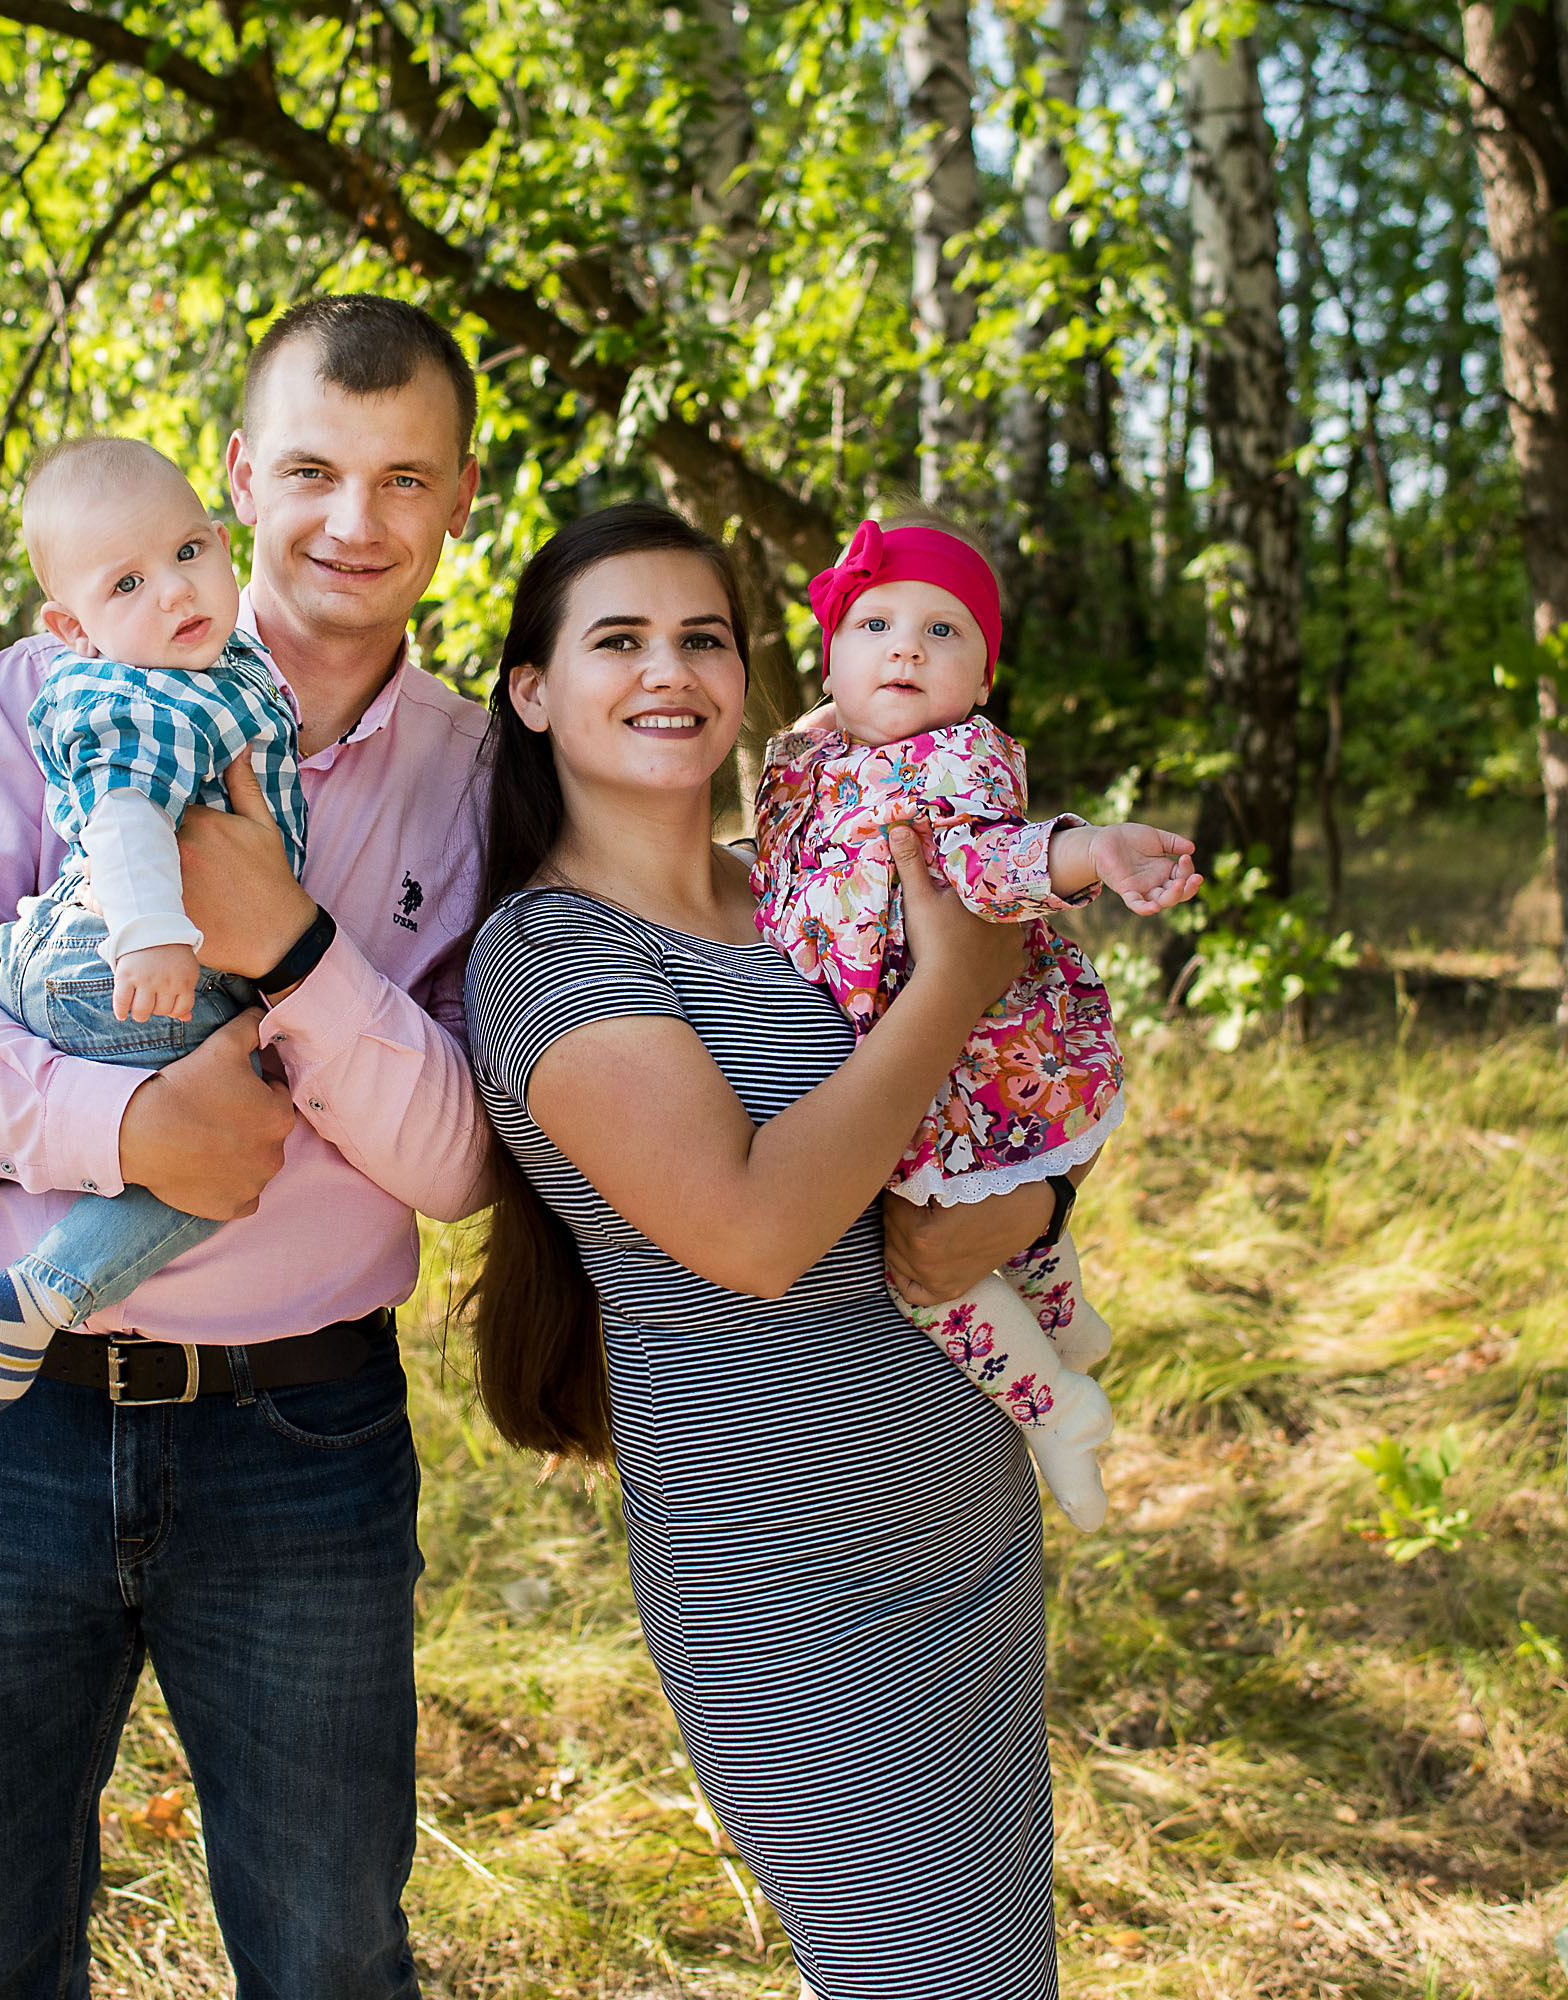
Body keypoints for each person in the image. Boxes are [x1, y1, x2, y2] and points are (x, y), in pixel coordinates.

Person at [0, 295, 490, 1998]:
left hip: (300, 1437)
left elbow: (465, 1158)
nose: (352, 521)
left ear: (462, 497)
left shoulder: (482, 772)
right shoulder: (53, 690)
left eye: (405, 480)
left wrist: (299, 952)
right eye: (313, 469)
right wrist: (126, 1125)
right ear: (243, 473)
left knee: (330, 1955)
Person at [461, 502, 1057, 1996]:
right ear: (532, 693)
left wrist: (1042, 1207)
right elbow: (751, 1230)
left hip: (968, 1532)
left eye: (703, 638)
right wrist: (962, 969)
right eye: (619, 641)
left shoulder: (803, 886)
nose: (671, 671)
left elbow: (1010, 1088)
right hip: (792, 1582)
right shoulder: (545, 953)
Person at [0, 436, 310, 1415]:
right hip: (140, 976)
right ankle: (43, 1294)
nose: (174, 593)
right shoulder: (163, 696)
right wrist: (153, 934)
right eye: (129, 583)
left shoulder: (177, 666)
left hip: (38, 959)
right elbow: (123, 812)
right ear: (72, 627)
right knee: (210, 1156)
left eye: (189, 555)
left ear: (221, 541)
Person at [753, 509, 1200, 1528]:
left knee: (934, 1260)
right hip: (909, 1049)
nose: (906, 645)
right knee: (981, 1221)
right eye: (874, 625)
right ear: (829, 661)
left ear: (985, 684)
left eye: (943, 631)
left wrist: (1090, 852)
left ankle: (1054, 1402)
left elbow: (996, 861)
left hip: (969, 1057)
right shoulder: (813, 763)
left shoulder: (953, 766)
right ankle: (1066, 1325)